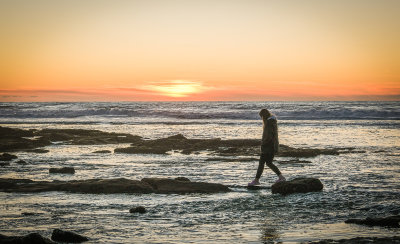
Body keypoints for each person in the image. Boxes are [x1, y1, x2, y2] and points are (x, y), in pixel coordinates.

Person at [248, 108, 286, 186]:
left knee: (262, 163)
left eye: (261, 117)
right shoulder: (273, 122)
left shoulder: (269, 123)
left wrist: (263, 144)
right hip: (272, 146)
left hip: (267, 147)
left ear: (263, 116)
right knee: (268, 163)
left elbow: (268, 136)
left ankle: (256, 180)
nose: (261, 119)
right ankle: (281, 177)